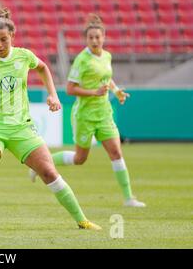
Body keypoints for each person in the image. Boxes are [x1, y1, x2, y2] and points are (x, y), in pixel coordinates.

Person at [0, 6, 101, 230]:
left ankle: (82, 220)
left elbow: (42, 68)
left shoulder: (24, 56)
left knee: (49, 172)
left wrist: (52, 94)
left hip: (22, 127)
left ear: (12, 36)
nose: (0, 45)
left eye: (4, 39)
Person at [29, 14, 146, 208]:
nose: (94, 40)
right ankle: (40, 165)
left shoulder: (107, 56)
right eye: (90, 37)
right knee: (79, 158)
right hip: (84, 115)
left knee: (116, 152)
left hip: (104, 113)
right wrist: (94, 92)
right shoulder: (82, 60)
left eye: (97, 37)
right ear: (86, 39)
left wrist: (116, 92)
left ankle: (129, 198)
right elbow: (69, 89)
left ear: (104, 38)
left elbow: (106, 79)